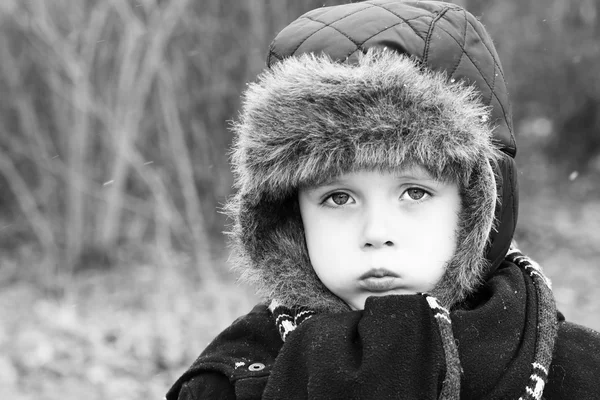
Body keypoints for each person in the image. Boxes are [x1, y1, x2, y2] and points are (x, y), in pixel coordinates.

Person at [166, 1, 600, 399]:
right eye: (338, 198)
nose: (377, 234)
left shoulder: (579, 374)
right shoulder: (228, 383)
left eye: (414, 192)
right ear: (290, 217)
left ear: (476, 209)